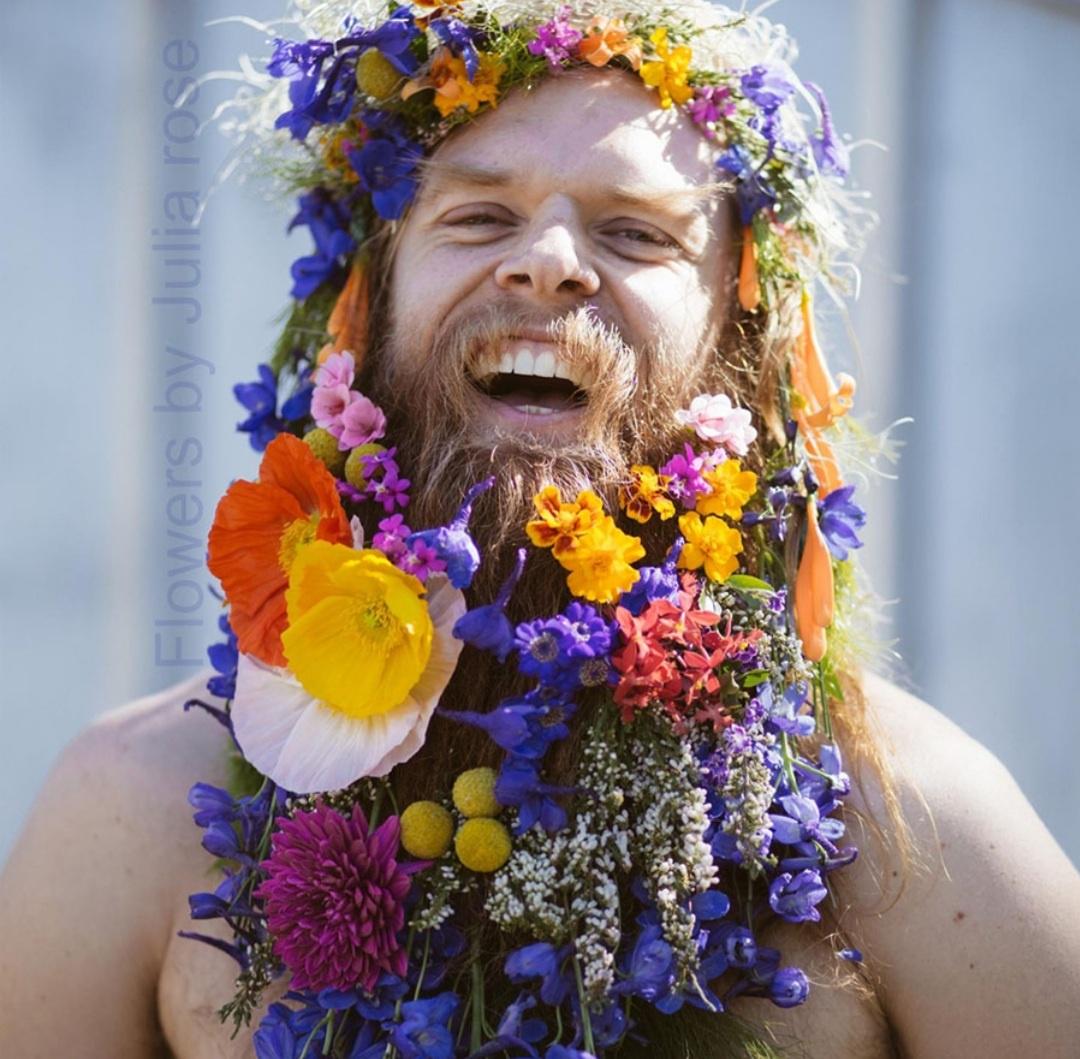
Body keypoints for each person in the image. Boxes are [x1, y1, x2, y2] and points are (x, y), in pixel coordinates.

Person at [2, 3, 1079, 1057]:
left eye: (637, 232)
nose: (551, 260)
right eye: (477, 216)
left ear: (739, 337)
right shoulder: (132, 810)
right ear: (367, 306)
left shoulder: (918, 832)